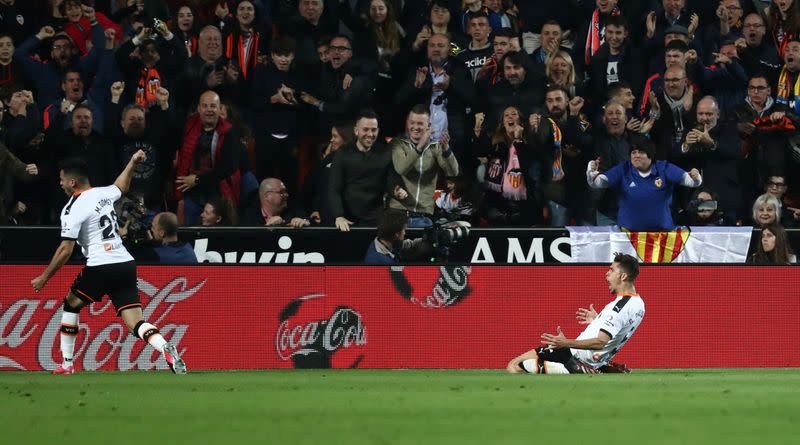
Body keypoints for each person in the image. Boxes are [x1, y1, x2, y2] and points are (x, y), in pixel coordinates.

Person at [30, 151, 187, 375]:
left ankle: (66, 364)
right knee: (135, 322)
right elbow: (121, 185)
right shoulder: (105, 194)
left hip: (100, 264)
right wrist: (132, 163)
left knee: (71, 304)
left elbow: (66, 249)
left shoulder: (72, 208)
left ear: (72, 182)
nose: (61, 183)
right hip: (124, 263)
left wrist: (44, 277)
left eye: (62, 179)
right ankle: (164, 347)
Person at [506, 253, 645, 375]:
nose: (607, 274)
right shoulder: (638, 304)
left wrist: (565, 343)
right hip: (594, 359)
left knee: (514, 366)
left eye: (611, 270)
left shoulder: (618, 307)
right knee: (522, 365)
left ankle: (573, 369)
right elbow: (618, 331)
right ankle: (600, 367)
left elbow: (600, 342)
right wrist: (597, 321)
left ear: (623, 276)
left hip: (574, 355)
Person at [587, 138, 703, 231]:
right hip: (628, 236)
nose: (636, 155)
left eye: (641, 152)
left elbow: (692, 182)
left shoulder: (664, 168)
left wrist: (696, 177)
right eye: (633, 152)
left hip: (661, 234)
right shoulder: (623, 169)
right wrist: (591, 173)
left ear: (650, 155)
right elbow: (597, 183)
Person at [364, 210, 429, 264]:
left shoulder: (382, 242)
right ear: (396, 234)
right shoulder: (384, 263)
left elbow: (406, 244)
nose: (404, 233)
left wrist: (425, 239)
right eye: (403, 230)